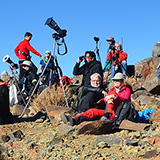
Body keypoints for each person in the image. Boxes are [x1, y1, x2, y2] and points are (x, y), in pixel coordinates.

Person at [61, 72, 131, 126]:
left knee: (112, 94)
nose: (115, 82)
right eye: (114, 80)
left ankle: (107, 117)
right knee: (91, 112)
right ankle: (73, 120)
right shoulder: (112, 89)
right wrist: (106, 99)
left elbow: (125, 100)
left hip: (117, 113)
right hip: (107, 112)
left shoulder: (126, 89)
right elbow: (105, 100)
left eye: (117, 80)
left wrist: (113, 96)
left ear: (122, 81)